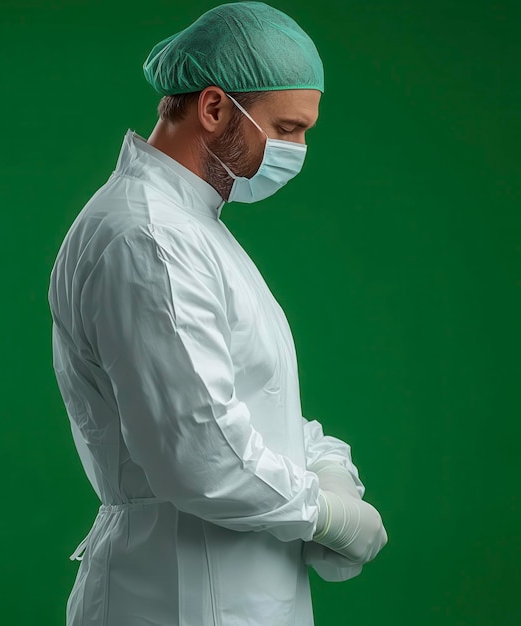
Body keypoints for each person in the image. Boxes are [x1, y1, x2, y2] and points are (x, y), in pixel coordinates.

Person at [47, 2, 388, 625]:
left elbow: (255, 399)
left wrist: (328, 464)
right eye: (286, 129)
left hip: (233, 590)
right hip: (178, 595)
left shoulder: (193, 229)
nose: (298, 149)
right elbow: (199, 454)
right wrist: (326, 513)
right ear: (213, 108)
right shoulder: (149, 239)